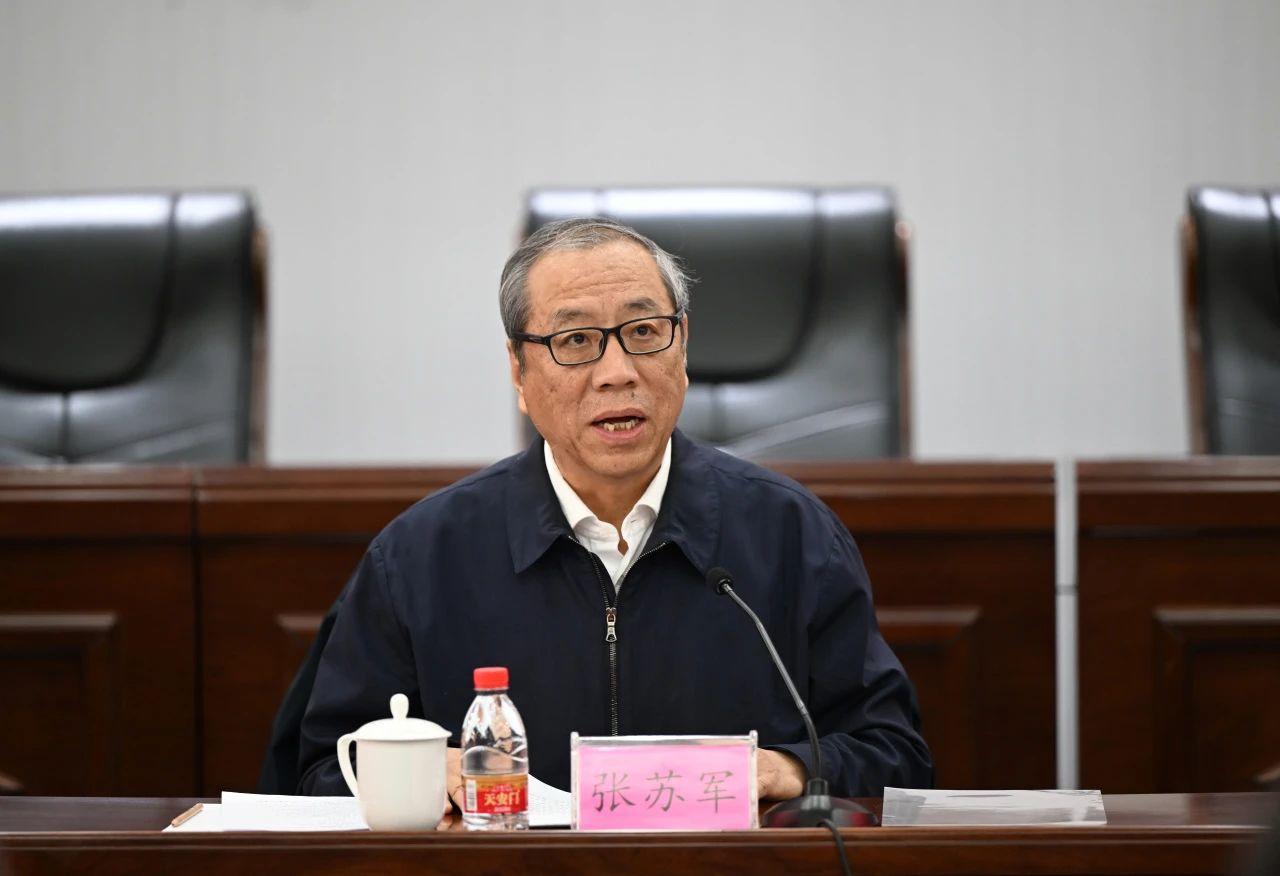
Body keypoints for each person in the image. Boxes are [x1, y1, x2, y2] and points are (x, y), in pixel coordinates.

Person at [297, 218, 932, 811]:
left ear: (683, 345)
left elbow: (896, 758)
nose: (617, 373)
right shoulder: (420, 558)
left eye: (644, 332)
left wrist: (784, 769)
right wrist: (414, 774)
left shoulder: (792, 536)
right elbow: (320, 771)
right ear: (518, 370)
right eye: (575, 341)